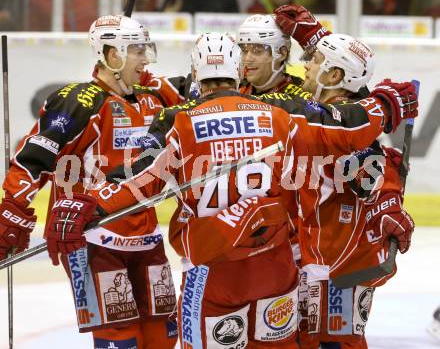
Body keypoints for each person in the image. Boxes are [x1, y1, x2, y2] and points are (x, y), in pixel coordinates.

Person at [43, 25, 418, 348]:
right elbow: (348, 127)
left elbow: (140, 181)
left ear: (195, 75)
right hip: (276, 271)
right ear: (239, 72)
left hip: (213, 272)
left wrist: (89, 205)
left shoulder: (180, 122)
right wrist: (386, 103)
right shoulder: (279, 116)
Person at [0, 14, 185, 348]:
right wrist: (13, 206)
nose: (145, 58)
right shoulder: (78, 101)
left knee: (163, 335)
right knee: (120, 338)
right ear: (112, 55)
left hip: (145, 235)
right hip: (92, 238)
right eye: (137, 50)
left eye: (145, 48)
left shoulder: (153, 97)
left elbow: (208, 94)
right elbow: (35, 158)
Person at [274, 6, 415, 348]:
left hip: (336, 271)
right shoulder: (346, 120)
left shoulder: (333, 125)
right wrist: (319, 41)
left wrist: (387, 201)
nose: (304, 65)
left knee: (333, 343)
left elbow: (343, 123)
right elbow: (350, 112)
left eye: (314, 59)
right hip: (323, 262)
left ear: (335, 77)